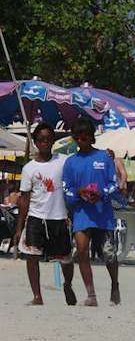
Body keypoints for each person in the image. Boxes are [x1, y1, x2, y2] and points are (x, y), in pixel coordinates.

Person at [13, 123, 76, 305]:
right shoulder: (29, 168)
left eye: (48, 139)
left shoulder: (63, 161)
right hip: (36, 217)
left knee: (66, 258)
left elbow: (76, 173)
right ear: (35, 142)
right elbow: (24, 199)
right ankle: (37, 296)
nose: (45, 143)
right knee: (32, 256)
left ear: (53, 141)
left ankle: (68, 285)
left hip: (59, 217)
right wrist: (19, 227)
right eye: (41, 140)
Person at [62, 118, 122, 305]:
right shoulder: (70, 163)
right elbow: (66, 189)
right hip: (81, 214)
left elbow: (115, 185)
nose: (82, 140)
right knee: (81, 251)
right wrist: (79, 193)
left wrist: (101, 194)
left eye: (85, 137)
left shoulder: (104, 157)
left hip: (103, 214)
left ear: (91, 138)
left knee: (109, 255)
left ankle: (114, 285)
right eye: (78, 138)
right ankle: (91, 295)